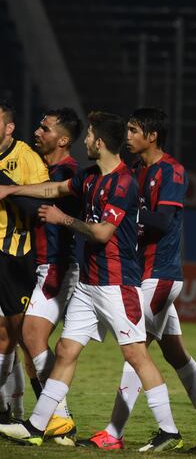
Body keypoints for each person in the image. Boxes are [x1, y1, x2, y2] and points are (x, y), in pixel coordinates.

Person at [0, 111, 182, 451]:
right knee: (66, 350)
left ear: (99, 142)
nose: (85, 141)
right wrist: (12, 188)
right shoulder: (90, 177)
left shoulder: (124, 182)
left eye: (89, 137)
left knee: (136, 356)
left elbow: (101, 232)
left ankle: (169, 430)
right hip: (89, 283)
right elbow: (54, 187)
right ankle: (38, 425)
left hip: (117, 284)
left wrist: (62, 217)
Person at [77, 107, 196, 451]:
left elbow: (162, 221)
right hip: (140, 274)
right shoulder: (134, 173)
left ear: (152, 135)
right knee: (177, 356)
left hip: (159, 274)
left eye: (133, 130)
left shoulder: (170, 171)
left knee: (135, 351)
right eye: (126, 129)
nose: (126, 136)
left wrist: (123, 215)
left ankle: (115, 433)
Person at [19, 108, 81, 444]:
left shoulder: (67, 172)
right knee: (30, 343)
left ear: (63, 139)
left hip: (58, 265)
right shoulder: (48, 169)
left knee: (32, 335)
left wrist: (8, 187)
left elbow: (40, 205)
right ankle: (56, 420)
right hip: (41, 263)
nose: (38, 131)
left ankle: (61, 418)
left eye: (45, 128)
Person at [0, 103, 49, 423]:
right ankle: (7, 412)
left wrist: (6, 184)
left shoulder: (28, 158)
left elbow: (40, 207)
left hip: (14, 256)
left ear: (9, 128)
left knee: (18, 337)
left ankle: (49, 413)